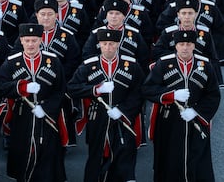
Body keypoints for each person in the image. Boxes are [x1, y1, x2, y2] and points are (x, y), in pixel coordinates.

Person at [142, 30, 220, 182]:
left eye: (189, 44)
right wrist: (171, 95)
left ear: (194, 45)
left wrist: (196, 111)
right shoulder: (164, 63)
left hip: (196, 120)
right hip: (168, 120)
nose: (185, 47)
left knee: (197, 159)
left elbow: (213, 94)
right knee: (170, 158)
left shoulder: (205, 64)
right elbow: (147, 89)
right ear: (176, 46)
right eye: (181, 44)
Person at [67, 28, 143, 182]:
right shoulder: (89, 65)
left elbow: (139, 92)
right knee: (97, 154)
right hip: (98, 117)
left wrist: (122, 110)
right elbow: (72, 87)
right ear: (99, 45)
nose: (108, 47)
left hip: (123, 117)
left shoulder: (132, 65)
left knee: (124, 152)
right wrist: (95, 89)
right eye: (104, 43)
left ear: (118, 44)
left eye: (112, 43)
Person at [0, 23, 66, 182]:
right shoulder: (11, 62)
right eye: (27, 40)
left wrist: (47, 108)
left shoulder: (53, 61)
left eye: (34, 40)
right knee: (23, 149)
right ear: (21, 40)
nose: (30, 44)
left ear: (41, 40)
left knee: (47, 151)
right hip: (22, 113)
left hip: (47, 113)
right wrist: (21, 87)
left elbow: (60, 89)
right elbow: (0, 87)